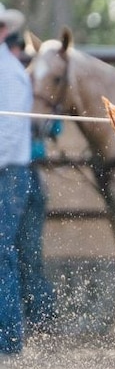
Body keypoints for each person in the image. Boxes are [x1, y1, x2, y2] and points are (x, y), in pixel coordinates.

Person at [5, 31, 58, 337]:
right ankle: (36, 319)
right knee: (26, 251)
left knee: (24, 250)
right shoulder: (26, 82)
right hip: (26, 171)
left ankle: (37, 319)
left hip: (22, 172)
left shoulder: (22, 81)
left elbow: (53, 124)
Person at [0, 4, 35, 354]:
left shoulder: (8, 73)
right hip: (8, 171)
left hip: (7, 173)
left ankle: (8, 337)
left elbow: (8, 134)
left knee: (1, 252)